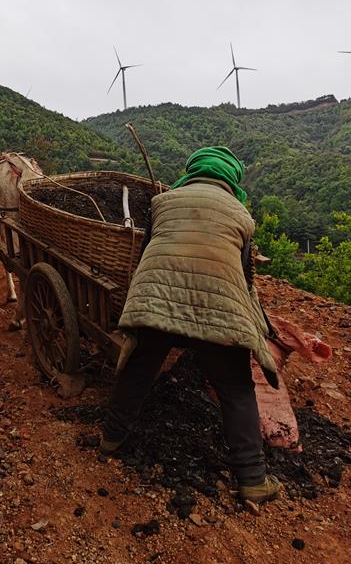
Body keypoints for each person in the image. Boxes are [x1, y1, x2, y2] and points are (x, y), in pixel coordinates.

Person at [101, 146, 282, 503]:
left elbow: (148, 251)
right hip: (219, 306)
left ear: (192, 170)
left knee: (140, 364)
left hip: (158, 296)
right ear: (231, 178)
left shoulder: (164, 201)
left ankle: (110, 438)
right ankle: (252, 480)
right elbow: (245, 280)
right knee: (234, 386)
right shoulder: (242, 214)